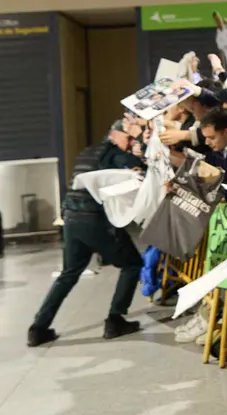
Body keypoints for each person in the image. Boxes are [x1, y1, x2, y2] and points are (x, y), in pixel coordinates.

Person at [27, 121, 146, 346]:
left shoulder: (86, 152)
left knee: (69, 274)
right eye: (127, 138)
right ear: (113, 134)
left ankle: (38, 328)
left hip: (71, 217)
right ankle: (115, 320)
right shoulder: (112, 153)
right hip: (94, 219)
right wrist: (139, 152)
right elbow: (137, 167)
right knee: (132, 264)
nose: (130, 142)